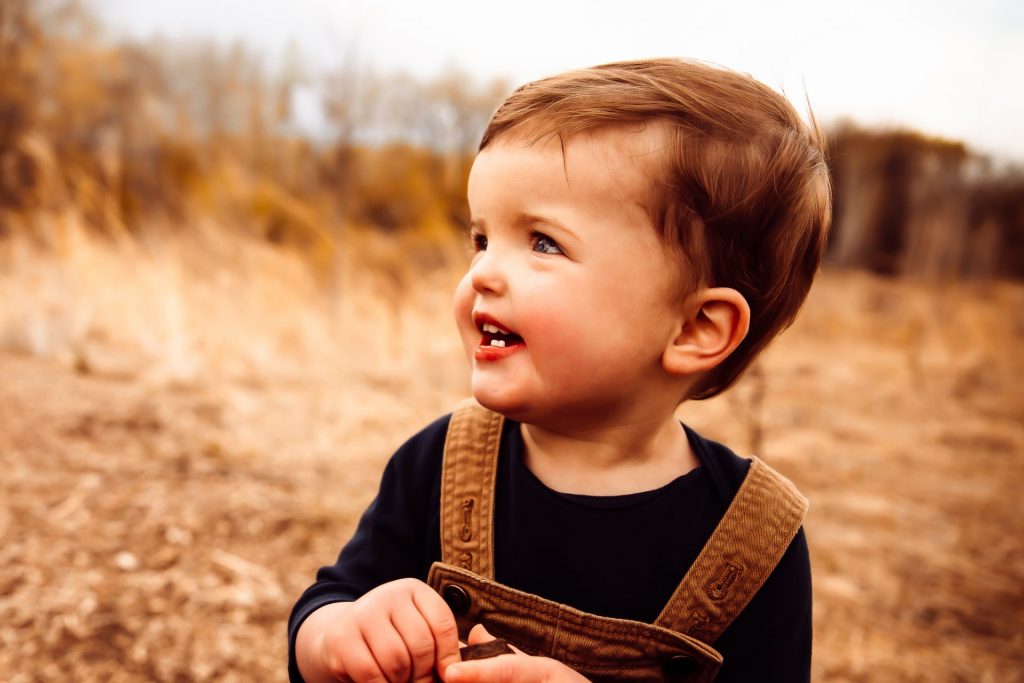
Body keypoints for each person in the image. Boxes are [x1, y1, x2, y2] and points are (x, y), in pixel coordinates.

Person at [288, 58, 831, 683]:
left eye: (543, 243)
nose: (482, 274)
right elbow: (327, 607)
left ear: (694, 329)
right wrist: (339, 635)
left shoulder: (755, 547)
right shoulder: (439, 464)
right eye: (482, 239)